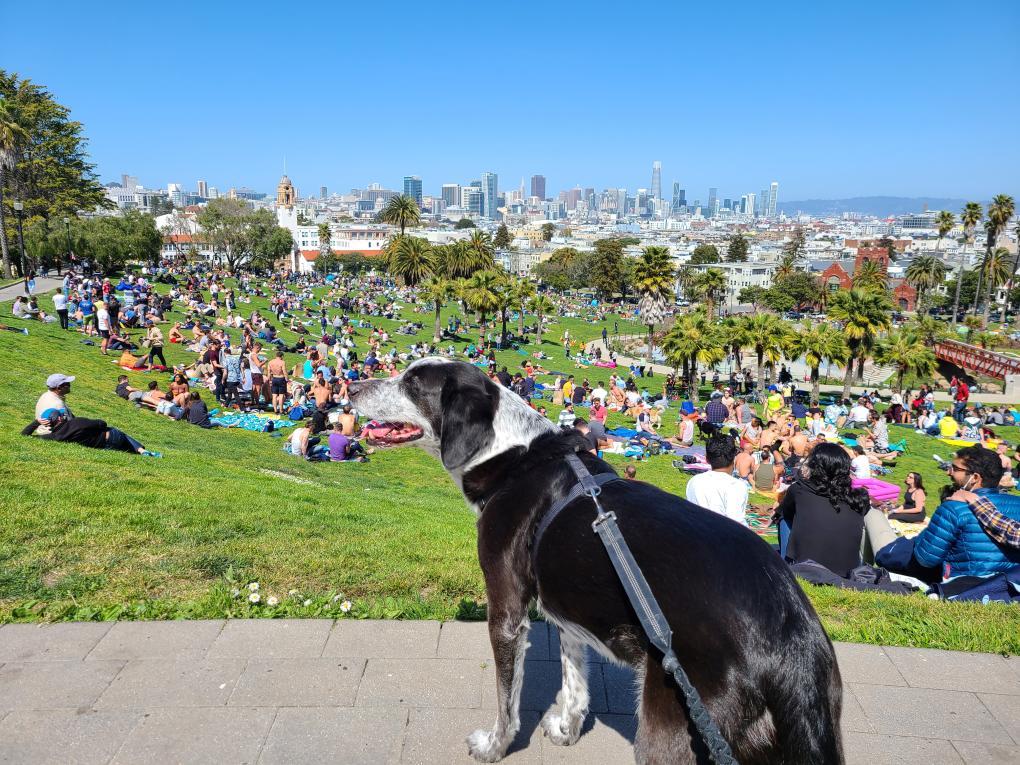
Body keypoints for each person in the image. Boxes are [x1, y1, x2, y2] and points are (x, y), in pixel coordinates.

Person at [869, 445, 1020, 580]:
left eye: (955, 468)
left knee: (873, 517)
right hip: (1005, 586)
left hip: (963, 586)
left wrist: (924, 535)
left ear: (974, 478)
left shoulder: (953, 507)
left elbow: (925, 558)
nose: (949, 472)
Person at [776, 442, 869, 576]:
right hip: (849, 571)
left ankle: (785, 569)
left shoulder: (799, 490)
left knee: (784, 518)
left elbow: (786, 512)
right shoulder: (859, 497)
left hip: (807, 569)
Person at [23, 373, 160, 457]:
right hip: (104, 439)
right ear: (59, 387)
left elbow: (24, 435)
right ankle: (141, 450)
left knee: (117, 438)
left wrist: (37, 422)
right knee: (115, 432)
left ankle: (140, 451)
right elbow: (96, 423)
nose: (70, 385)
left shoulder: (46, 397)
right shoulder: (60, 408)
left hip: (50, 430)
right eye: (67, 384)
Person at [684, 433, 748, 526]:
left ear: (706, 459)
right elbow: (736, 524)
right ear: (734, 457)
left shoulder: (694, 481)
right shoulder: (737, 486)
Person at [267, 350, 288, 415]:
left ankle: (275, 410)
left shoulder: (270, 362)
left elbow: (269, 372)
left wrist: (269, 380)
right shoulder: (282, 362)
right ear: (281, 356)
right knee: (281, 395)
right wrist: (287, 379)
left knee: (274, 395)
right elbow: (284, 371)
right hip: (281, 378)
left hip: (274, 378)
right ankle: (281, 410)